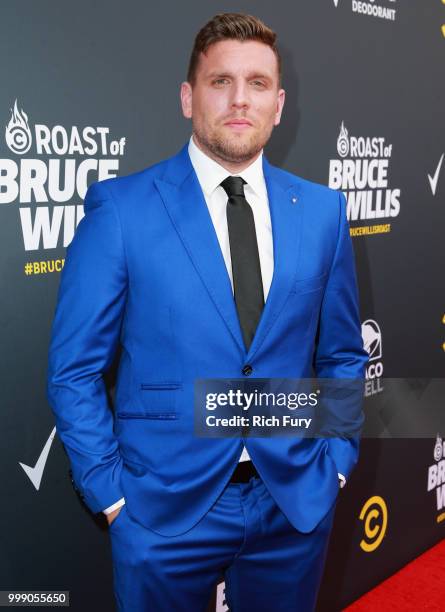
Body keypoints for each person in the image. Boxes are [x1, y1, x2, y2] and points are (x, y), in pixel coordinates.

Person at [47, 12, 368, 612]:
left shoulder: (323, 213)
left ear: (279, 104)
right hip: (161, 510)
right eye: (221, 82)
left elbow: (343, 354)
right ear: (188, 97)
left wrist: (337, 465)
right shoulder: (121, 210)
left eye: (257, 84)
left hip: (294, 500)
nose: (239, 99)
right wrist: (113, 496)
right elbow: (74, 371)